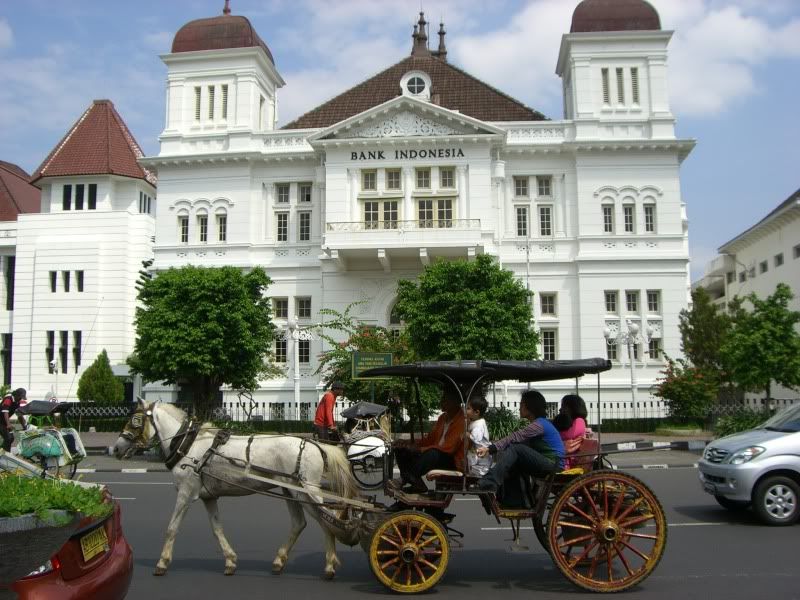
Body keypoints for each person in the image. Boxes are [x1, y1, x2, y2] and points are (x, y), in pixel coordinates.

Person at [473, 390, 564, 507]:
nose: (520, 407)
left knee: (516, 449)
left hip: (553, 464)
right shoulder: (538, 424)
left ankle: (489, 482)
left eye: (521, 404)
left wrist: (490, 448)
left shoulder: (539, 425)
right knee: (513, 457)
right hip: (547, 462)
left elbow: (515, 437)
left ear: (529, 407)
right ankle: (513, 501)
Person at [393, 386, 466, 494]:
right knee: (401, 450)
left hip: (452, 460)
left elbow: (448, 448)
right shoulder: (442, 418)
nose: (441, 402)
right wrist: (408, 444)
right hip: (437, 454)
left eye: (445, 399)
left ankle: (406, 478)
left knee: (433, 453)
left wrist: (420, 449)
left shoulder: (462, 421)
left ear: (455, 402)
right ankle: (416, 483)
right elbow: (430, 439)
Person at [553, 394, 589, 468]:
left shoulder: (579, 420)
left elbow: (569, 435)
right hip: (566, 456)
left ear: (572, 408)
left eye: (563, 406)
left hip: (571, 461)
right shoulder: (569, 421)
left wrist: (554, 433)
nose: (560, 409)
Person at [466, 394, 492, 476]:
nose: (466, 411)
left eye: (468, 408)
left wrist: (466, 434)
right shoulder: (476, 422)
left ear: (476, 412)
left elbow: (476, 438)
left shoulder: (479, 425)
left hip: (481, 458)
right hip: (477, 455)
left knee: (477, 473)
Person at [1, 388, 27, 452]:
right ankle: (5, 454)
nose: (21, 399)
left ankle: (3, 451)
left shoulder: (17, 401)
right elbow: (5, 412)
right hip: (1, 421)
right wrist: (8, 424)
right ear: (16, 395)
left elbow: (19, 415)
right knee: (8, 438)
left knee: (11, 438)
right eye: (20, 397)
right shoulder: (8, 398)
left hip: (4, 421)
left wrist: (25, 426)